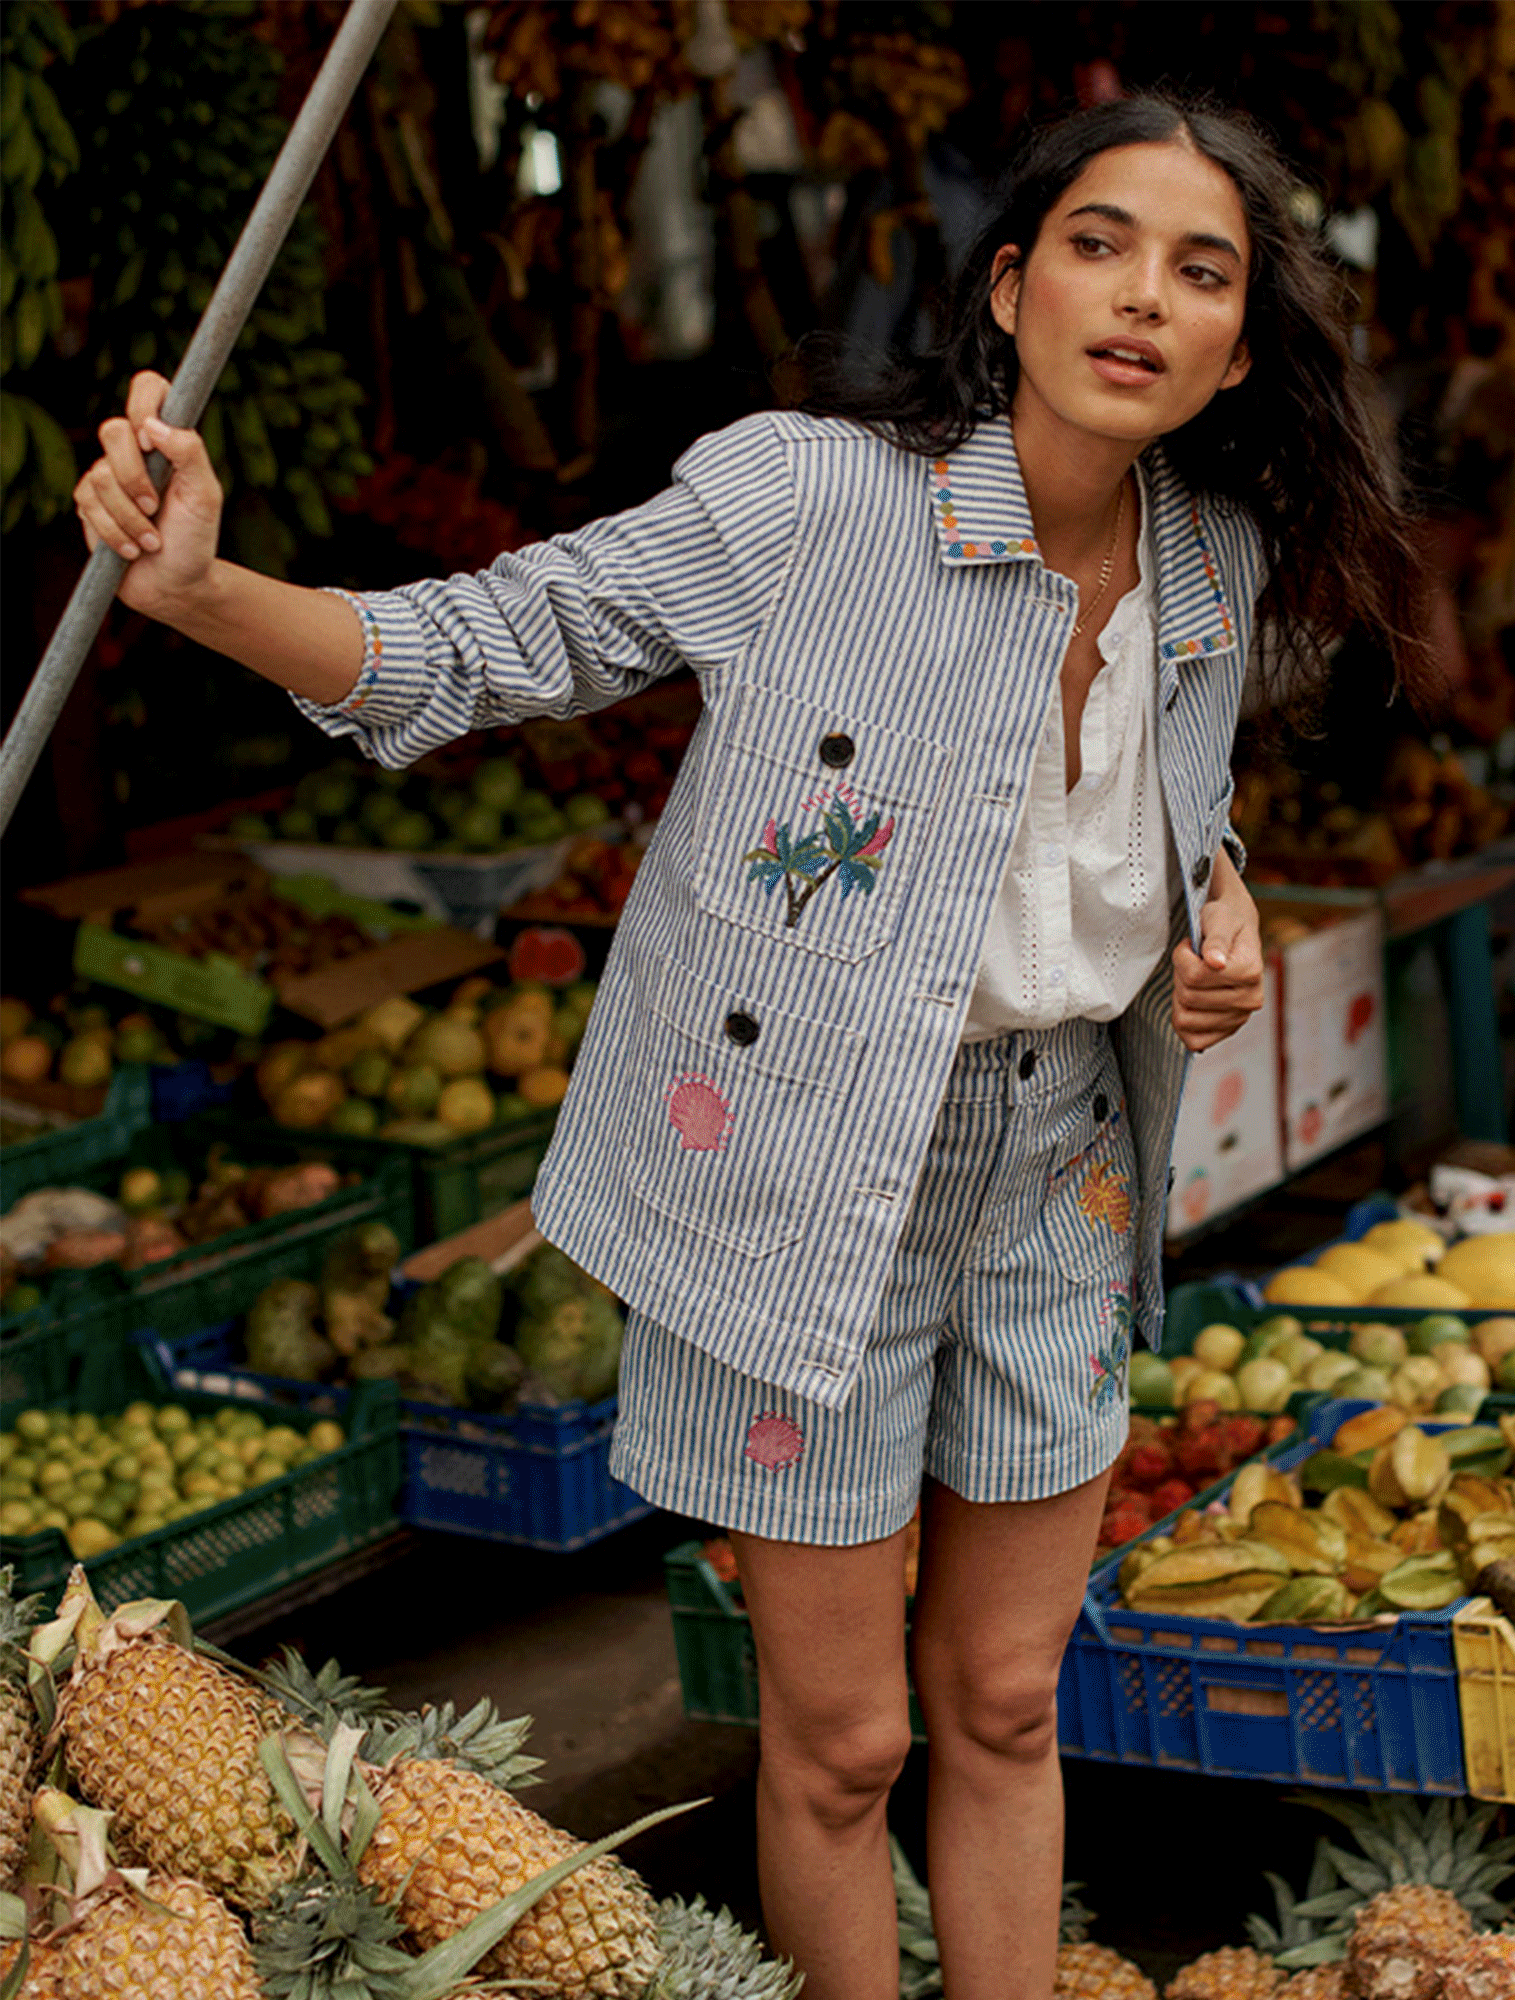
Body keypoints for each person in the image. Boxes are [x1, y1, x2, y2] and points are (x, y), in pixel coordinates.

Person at [74, 95, 1427, 1998]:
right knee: (845, 1738)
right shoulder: (808, 505)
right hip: (800, 1181)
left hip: (1065, 1170)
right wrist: (209, 591)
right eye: (1103, 246)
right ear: (1012, 282)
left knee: (1013, 1707)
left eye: (1202, 273)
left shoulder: (1221, 578)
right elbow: (489, 645)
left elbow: (1131, 816)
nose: (1143, 299)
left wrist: (1209, 915)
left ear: (1239, 346)